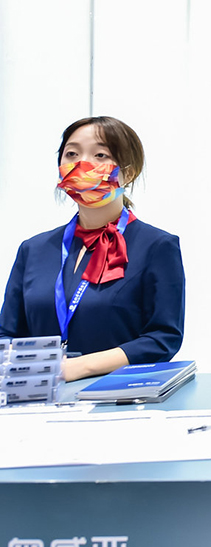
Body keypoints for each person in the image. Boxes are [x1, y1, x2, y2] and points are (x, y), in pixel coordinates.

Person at [0, 117, 185, 381]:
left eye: (100, 155)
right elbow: (7, 333)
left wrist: (78, 368)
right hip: (36, 396)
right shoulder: (34, 249)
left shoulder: (157, 246)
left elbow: (162, 338)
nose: (82, 164)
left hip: (116, 394)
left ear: (130, 172)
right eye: (72, 154)